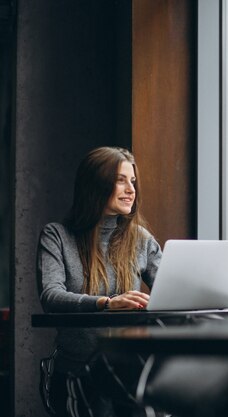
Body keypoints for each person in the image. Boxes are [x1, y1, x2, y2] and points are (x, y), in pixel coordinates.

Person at [37, 146, 162, 416]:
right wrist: (107, 303)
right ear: (95, 184)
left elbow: (169, 293)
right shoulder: (57, 236)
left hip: (130, 374)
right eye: (120, 180)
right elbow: (51, 295)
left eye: (133, 181)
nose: (131, 189)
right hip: (77, 374)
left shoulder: (141, 239)